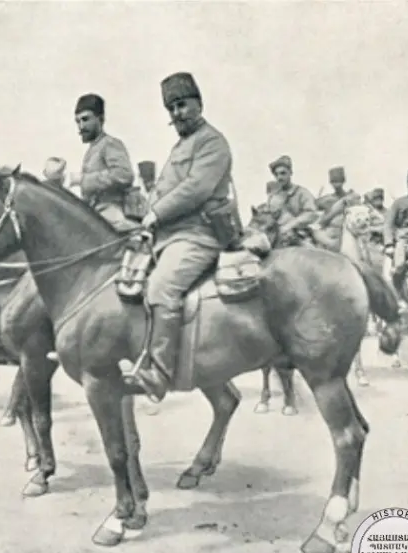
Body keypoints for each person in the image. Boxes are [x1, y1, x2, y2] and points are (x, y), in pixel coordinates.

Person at [123, 72, 241, 402]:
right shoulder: (181, 146)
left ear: (199, 104)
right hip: (170, 235)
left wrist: (155, 214)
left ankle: (159, 373)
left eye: (183, 105)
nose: (177, 113)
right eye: (171, 108)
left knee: (162, 287)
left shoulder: (212, 142)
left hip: (199, 234)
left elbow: (195, 188)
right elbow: (163, 190)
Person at [68, 93, 136, 229]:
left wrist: (83, 180)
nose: (81, 126)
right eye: (78, 121)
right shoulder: (91, 150)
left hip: (110, 212)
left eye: (85, 119)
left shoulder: (110, 144)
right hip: (92, 213)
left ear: (101, 119)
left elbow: (124, 175)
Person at [264, 155, 318, 246]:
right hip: (277, 239)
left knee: (312, 253)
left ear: (290, 173)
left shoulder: (302, 193)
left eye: (283, 173)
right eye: (276, 174)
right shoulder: (273, 197)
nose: (279, 177)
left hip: (299, 237)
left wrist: (292, 224)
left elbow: (312, 213)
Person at [314, 166, 360, 251]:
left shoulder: (352, 198)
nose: (337, 185)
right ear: (331, 183)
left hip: (350, 234)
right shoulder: (326, 200)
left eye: (339, 181)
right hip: (331, 235)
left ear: (343, 181)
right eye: (334, 182)